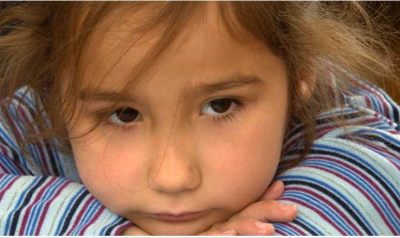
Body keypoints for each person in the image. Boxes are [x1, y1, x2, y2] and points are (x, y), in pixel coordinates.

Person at [0, 1, 399, 236]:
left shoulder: (362, 149)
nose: (173, 177)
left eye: (221, 105)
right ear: (52, 92)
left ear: (299, 77)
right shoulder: (32, 120)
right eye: (124, 114)